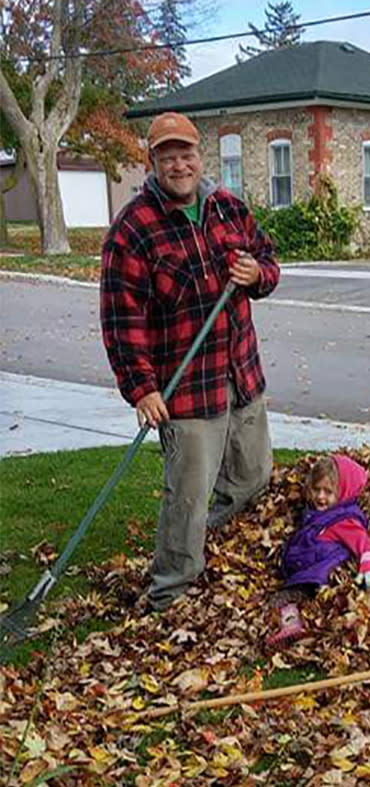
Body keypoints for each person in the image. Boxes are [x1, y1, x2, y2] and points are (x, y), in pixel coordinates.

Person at [100, 111, 280, 611]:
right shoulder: (132, 230)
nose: (179, 165)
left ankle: (213, 542)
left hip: (241, 373)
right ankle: (170, 592)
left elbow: (268, 262)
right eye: (167, 156)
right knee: (186, 498)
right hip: (185, 389)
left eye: (187, 154)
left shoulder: (227, 209)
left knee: (253, 477)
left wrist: (255, 274)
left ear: (201, 157)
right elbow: (121, 318)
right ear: (152, 161)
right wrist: (142, 387)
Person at [266, 454, 370, 647]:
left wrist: (369, 578)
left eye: (328, 492)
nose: (320, 497)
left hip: (319, 574)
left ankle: (293, 625)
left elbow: (365, 545)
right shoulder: (321, 513)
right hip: (312, 568)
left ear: (344, 492)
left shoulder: (344, 520)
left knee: (285, 597)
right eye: (317, 490)